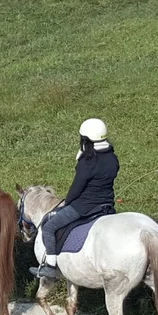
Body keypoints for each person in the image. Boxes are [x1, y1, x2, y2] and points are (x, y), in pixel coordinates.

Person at [29, 118, 118, 279]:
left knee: (49, 227)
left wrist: (67, 202)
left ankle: (50, 267)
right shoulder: (112, 157)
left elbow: (77, 187)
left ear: (86, 138)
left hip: (85, 207)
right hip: (107, 205)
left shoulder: (88, 160)